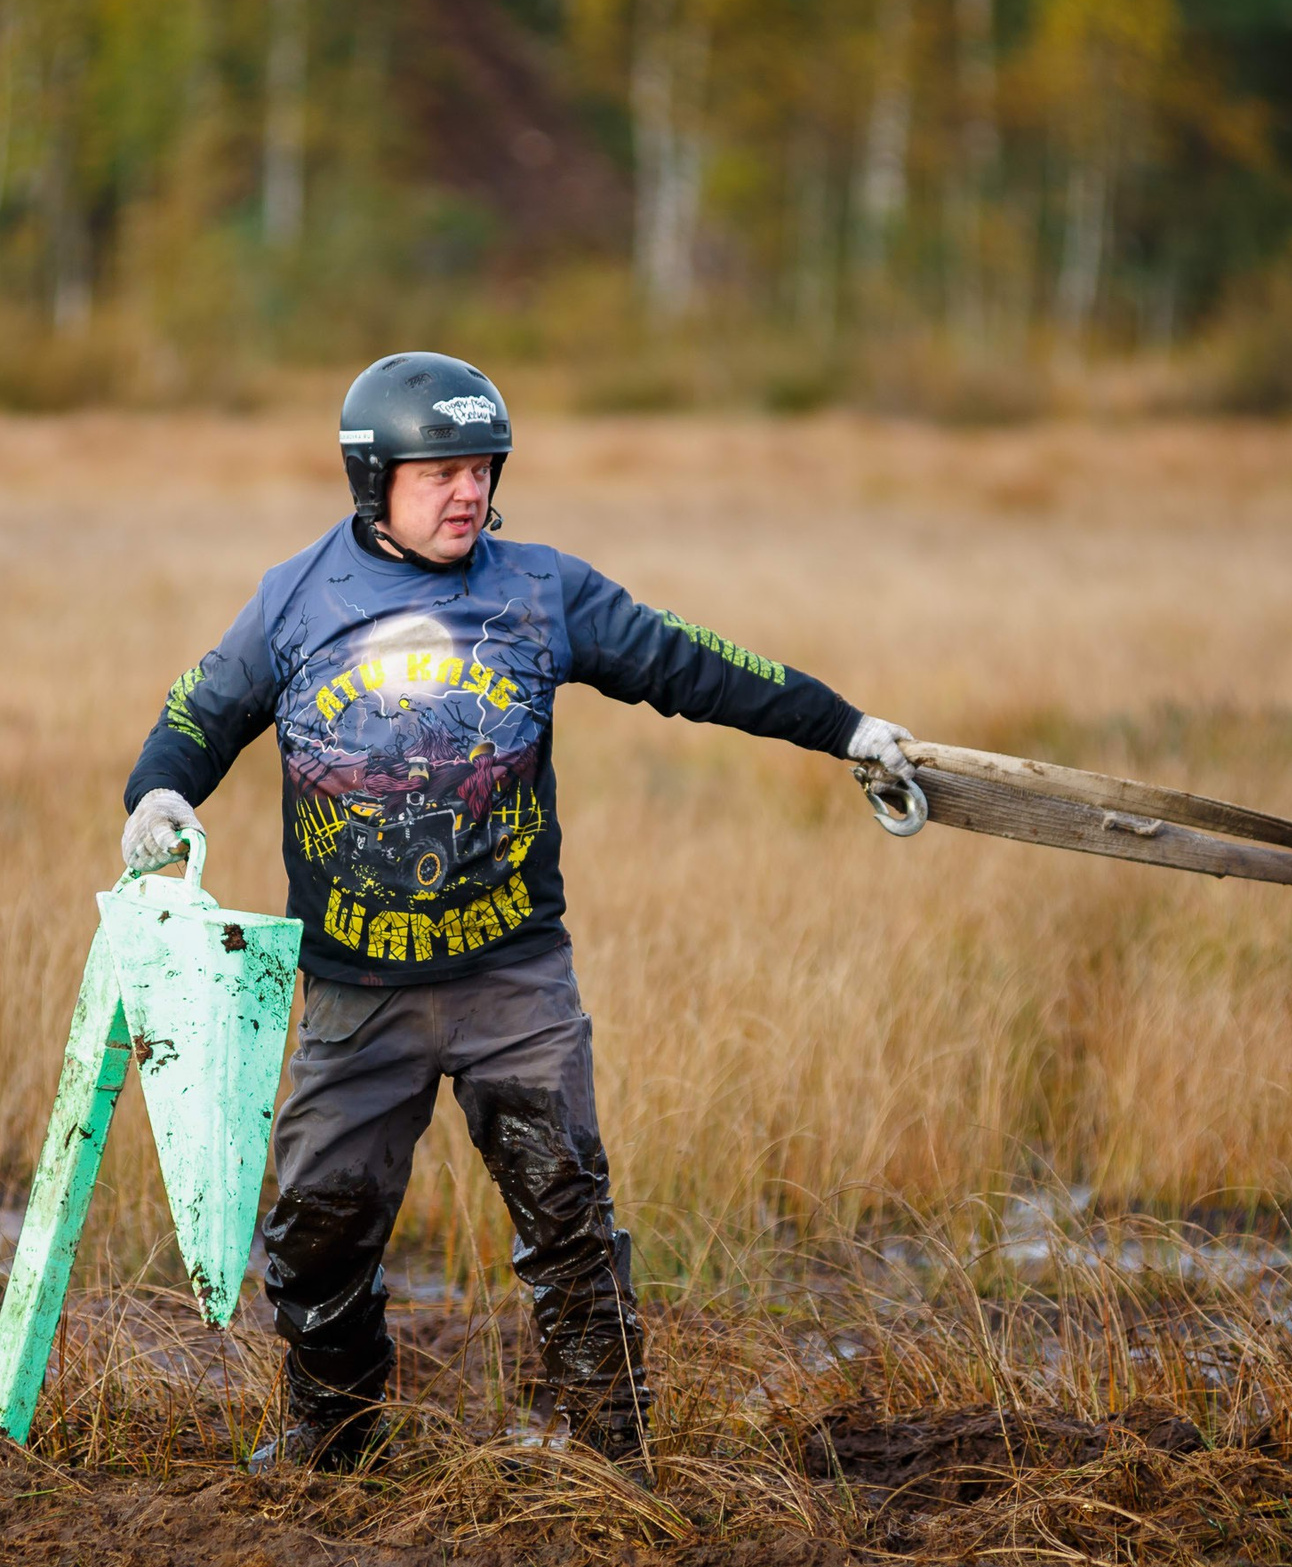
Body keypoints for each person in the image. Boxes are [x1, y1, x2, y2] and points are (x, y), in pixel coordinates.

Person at [120, 352, 921, 1475]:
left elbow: (694, 665)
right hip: (356, 993)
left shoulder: (543, 589)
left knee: (567, 1217)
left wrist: (846, 729)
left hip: (513, 982)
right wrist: (158, 792)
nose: (468, 492)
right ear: (372, 480)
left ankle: (606, 1451)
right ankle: (334, 1437)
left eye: (483, 469)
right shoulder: (295, 598)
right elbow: (198, 715)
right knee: (316, 1235)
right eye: (439, 472)